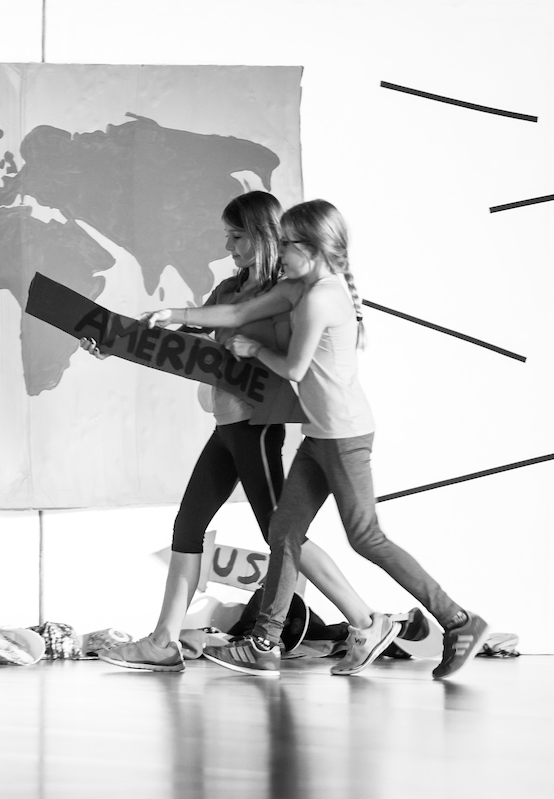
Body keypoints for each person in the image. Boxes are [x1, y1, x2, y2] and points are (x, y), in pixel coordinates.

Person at [145, 199, 487, 679]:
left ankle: (457, 620)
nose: (280, 251)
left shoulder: (321, 298)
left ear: (312, 248)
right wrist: (172, 313)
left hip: (345, 437)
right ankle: (264, 643)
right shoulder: (297, 288)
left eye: (286, 243)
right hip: (317, 434)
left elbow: (294, 368)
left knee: (366, 538)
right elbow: (239, 312)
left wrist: (254, 348)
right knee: (283, 533)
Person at [88, 191, 390, 674]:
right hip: (227, 424)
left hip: (260, 425)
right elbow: (186, 335)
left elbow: (296, 356)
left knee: (281, 533)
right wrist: (115, 343)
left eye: (236, 236)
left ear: (263, 237)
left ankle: (366, 619)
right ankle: (164, 641)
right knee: (189, 526)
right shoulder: (230, 288)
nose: (228, 246)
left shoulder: (285, 293)